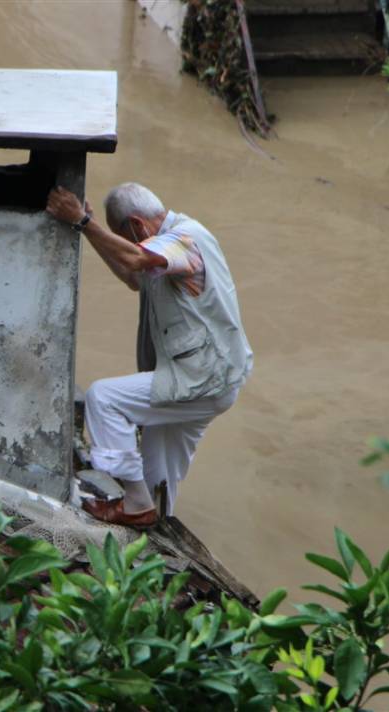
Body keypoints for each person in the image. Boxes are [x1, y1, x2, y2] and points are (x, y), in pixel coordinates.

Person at [45, 183, 252, 527]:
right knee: (158, 473)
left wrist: (82, 223)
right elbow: (133, 275)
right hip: (211, 379)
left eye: (125, 237)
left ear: (138, 227)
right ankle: (156, 518)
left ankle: (137, 506)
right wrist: (90, 229)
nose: (131, 244)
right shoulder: (167, 246)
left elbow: (136, 257)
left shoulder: (183, 240)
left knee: (104, 397)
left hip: (200, 381)